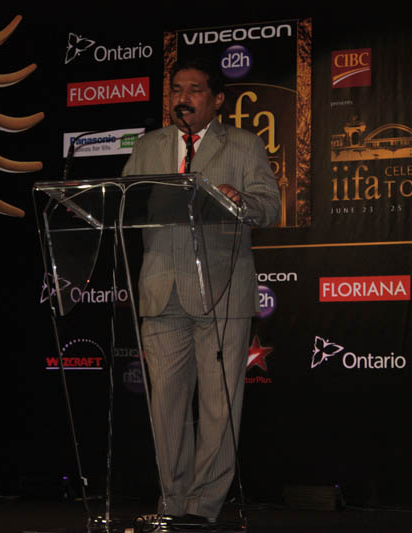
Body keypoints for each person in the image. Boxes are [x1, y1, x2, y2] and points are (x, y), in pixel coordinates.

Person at [122, 56, 281, 523]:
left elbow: (270, 206)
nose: (183, 98)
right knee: (166, 407)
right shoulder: (148, 146)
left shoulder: (244, 144)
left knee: (218, 407)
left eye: (194, 90)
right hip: (161, 287)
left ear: (217, 99)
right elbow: (126, 202)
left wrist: (241, 200)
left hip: (222, 288)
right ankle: (172, 504)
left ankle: (203, 508)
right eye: (176, 89)